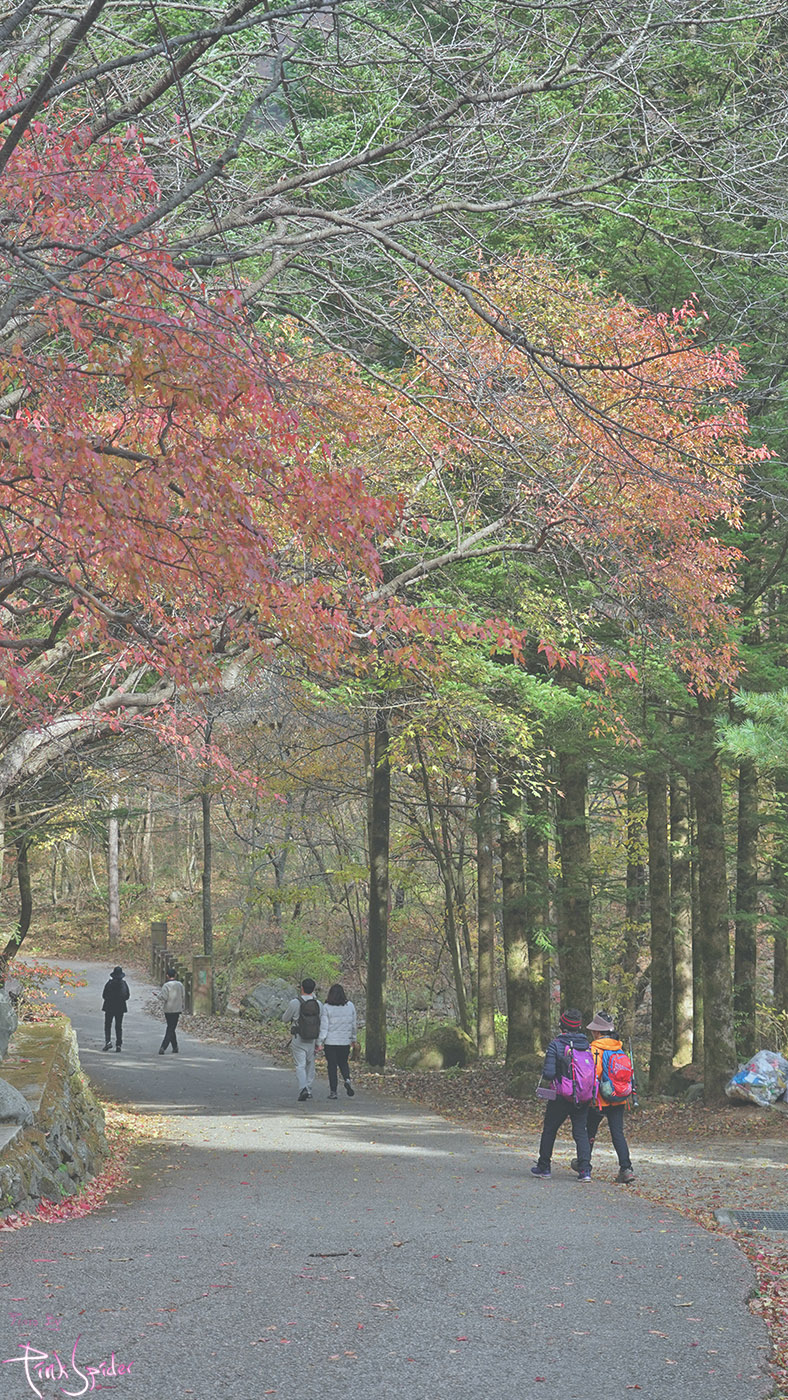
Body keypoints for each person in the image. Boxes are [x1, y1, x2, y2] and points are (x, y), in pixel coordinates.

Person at [572, 1012, 635, 1183]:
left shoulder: (594, 1050)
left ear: (597, 1032)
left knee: (589, 1131)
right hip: (619, 1097)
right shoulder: (619, 1049)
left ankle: (584, 1164)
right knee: (617, 1133)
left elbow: (592, 1075)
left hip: (599, 1099)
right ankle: (626, 1168)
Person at [531, 1008, 593, 1181]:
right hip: (583, 1095)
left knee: (550, 1129)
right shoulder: (586, 1045)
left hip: (561, 1095)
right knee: (581, 1131)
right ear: (578, 1027)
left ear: (562, 1026)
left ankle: (544, 1167)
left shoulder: (556, 1045)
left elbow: (549, 1073)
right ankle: (585, 1171)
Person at [282, 978, 322, 1102]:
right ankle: (308, 1089)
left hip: (298, 1037)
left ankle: (303, 1088)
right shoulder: (318, 1004)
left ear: (302, 988)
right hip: (313, 1038)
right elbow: (320, 1023)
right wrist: (319, 1042)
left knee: (300, 1064)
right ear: (313, 989)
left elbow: (285, 1019)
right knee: (310, 1064)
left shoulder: (295, 1002)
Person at [318, 984, 358, 1100]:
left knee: (332, 1066)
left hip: (331, 1042)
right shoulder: (350, 1006)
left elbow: (324, 1027)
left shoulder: (326, 1007)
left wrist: (320, 1042)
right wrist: (353, 1039)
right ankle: (347, 1079)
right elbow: (353, 1025)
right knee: (343, 1063)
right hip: (345, 1041)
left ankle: (333, 1092)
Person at [157, 967, 186, 1055]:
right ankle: (175, 1047)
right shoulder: (180, 985)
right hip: (177, 1009)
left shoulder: (166, 985)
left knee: (170, 1028)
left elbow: (164, 997)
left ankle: (163, 1046)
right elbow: (183, 995)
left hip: (168, 1009)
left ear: (167, 976)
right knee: (171, 1027)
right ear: (175, 975)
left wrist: (158, 995)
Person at [102, 965, 130, 1052]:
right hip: (120, 1007)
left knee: (108, 1025)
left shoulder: (109, 984)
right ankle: (118, 1044)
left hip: (109, 1007)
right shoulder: (124, 984)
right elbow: (127, 996)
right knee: (118, 1026)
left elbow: (104, 995)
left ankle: (108, 1041)